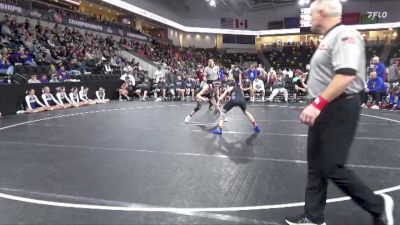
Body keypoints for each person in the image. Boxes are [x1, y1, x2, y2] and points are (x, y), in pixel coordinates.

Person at [285, 1, 394, 224]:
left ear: (322, 13)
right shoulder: (328, 38)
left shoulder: (345, 34)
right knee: (316, 164)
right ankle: (313, 217)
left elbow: (346, 74)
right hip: (325, 106)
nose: (311, 18)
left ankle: (378, 205)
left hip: (339, 106)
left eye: (312, 14)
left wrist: (317, 104)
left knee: (332, 166)